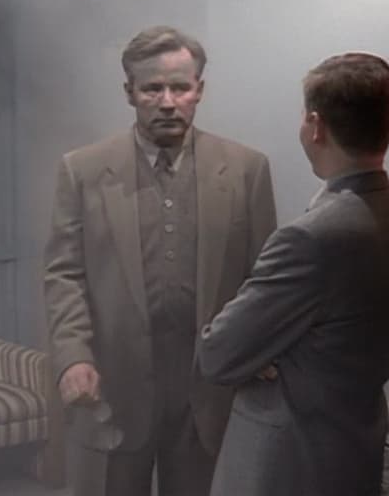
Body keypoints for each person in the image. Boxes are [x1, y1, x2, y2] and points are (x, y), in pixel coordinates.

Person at [43, 25, 277, 496]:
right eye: (152, 88)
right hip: (115, 389)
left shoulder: (246, 170)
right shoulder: (83, 171)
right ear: (129, 92)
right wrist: (73, 357)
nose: (167, 102)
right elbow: (64, 274)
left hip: (207, 391)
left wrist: (259, 352)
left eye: (180, 87)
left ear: (199, 90)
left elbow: (263, 280)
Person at [197, 52, 389, 496]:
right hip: (351, 452)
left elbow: (218, 353)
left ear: (315, 126)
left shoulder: (310, 238)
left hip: (286, 466)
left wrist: (264, 349)